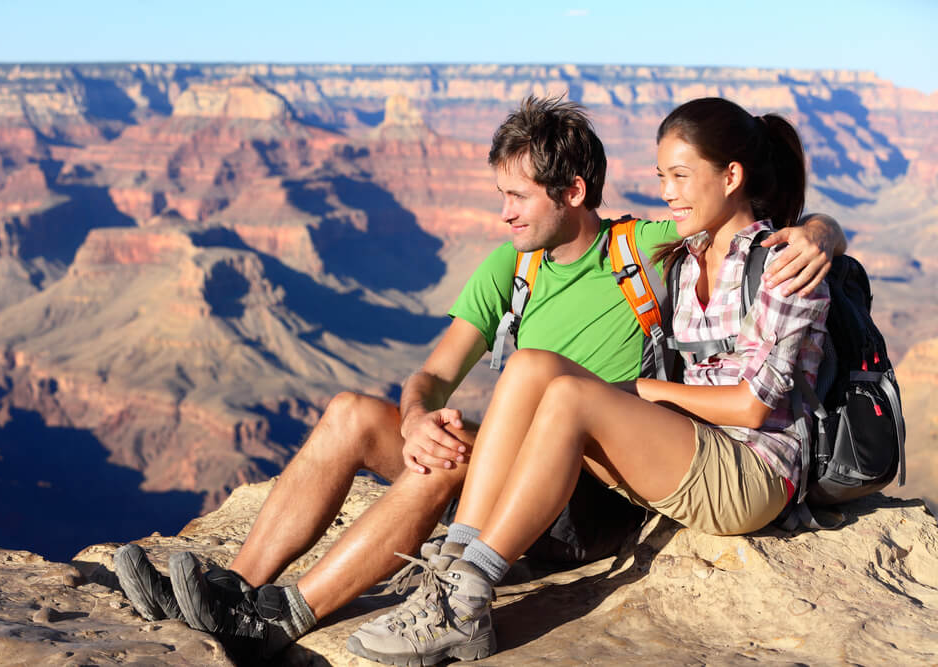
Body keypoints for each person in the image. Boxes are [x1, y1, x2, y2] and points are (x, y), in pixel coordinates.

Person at [113, 96, 844, 660]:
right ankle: (229, 590)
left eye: (517, 198)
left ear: (574, 192)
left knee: (447, 465)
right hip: (507, 456)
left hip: (575, 480)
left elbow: (750, 227)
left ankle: (283, 618)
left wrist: (821, 233)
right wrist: (415, 416)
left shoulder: (648, 249)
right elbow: (432, 372)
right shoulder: (512, 267)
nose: (501, 216)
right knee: (350, 412)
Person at [346, 96, 833, 665]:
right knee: (533, 364)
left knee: (572, 397)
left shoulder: (786, 267)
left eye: (681, 176)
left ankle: (469, 598)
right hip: (692, 448)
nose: (667, 192)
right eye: (660, 176)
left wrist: (822, 231)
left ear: (731, 176)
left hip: (754, 473)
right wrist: (825, 225)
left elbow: (753, 409)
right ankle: (454, 571)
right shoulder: (687, 249)